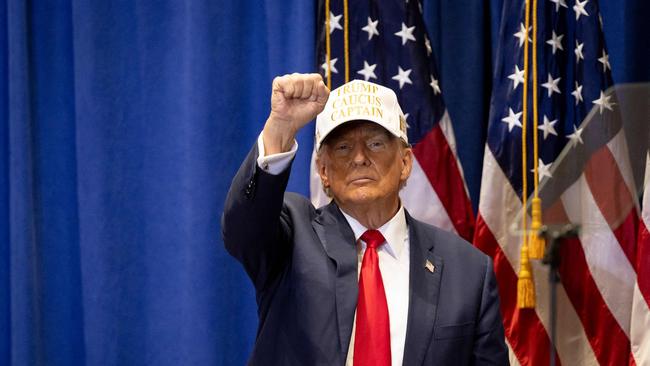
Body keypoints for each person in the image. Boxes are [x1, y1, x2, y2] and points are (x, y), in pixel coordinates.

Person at [222, 73, 509, 366]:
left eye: (375, 143)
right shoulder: (292, 236)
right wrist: (280, 128)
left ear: (405, 162)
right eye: (343, 147)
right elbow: (243, 229)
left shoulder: (468, 270)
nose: (359, 158)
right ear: (323, 171)